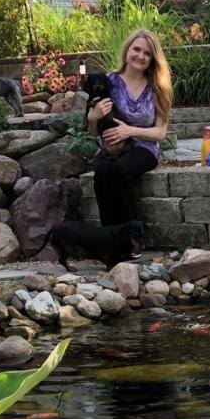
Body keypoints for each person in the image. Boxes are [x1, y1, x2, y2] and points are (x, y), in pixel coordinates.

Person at [86, 29, 172, 252]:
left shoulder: (158, 87)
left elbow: (160, 133)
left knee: (121, 170)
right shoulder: (109, 82)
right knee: (103, 170)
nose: (140, 56)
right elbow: (95, 131)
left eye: (147, 53)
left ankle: (132, 239)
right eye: (137, 49)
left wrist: (129, 131)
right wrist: (92, 118)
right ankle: (110, 240)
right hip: (111, 146)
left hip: (144, 147)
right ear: (127, 50)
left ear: (152, 59)